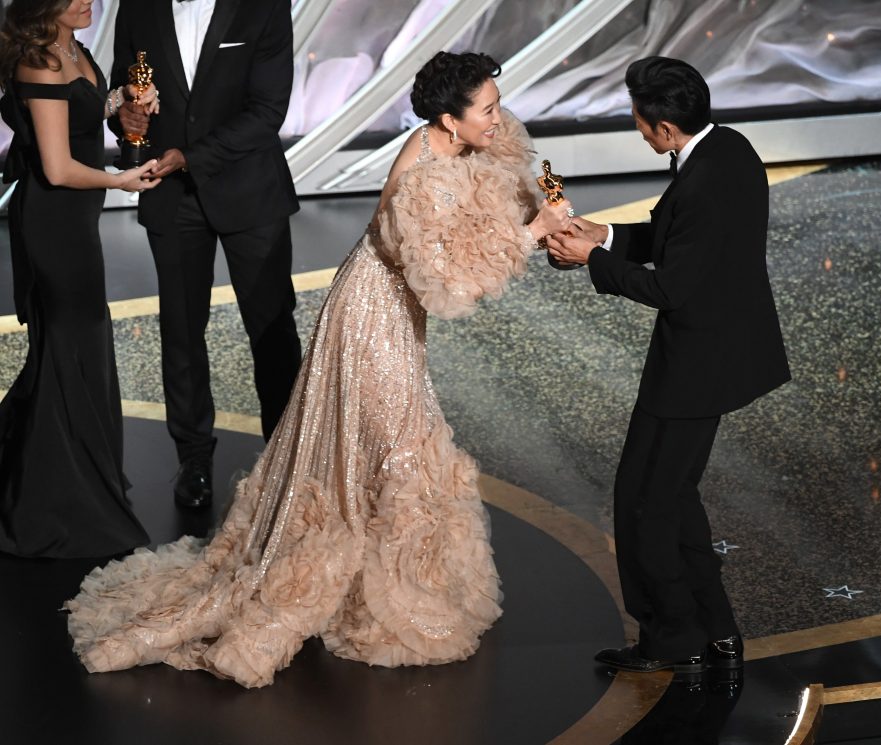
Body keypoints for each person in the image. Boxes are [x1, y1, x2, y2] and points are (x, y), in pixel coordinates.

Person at [65, 51, 573, 688]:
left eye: (498, 104)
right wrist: (531, 236)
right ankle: (373, 587)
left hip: (392, 309)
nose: (499, 118)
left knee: (380, 444)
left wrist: (543, 217)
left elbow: (496, 198)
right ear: (448, 119)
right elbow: (448, 283)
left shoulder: (464, 144)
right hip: (371, 313)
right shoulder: (419, 176)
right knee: (396, 445)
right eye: (488, 110)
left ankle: (386, 576)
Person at [547, 57, 790, 677]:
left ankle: (670, 638)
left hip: (695, 364)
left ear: (663, 130)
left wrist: (592, 263)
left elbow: (671, 288)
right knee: (671, 497)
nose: (636, 127)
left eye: (639, 119)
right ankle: (716, 631)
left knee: (643, 503)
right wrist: (602, 235)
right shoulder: (727, 149)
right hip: (715, 353)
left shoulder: (704, 179)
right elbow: (674, 233)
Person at [109, 0, 303, 509]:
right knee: (181, 333)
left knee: (272, 330)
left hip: (249, 192)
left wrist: (192, 157)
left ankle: (287, 459)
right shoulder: (138, 7)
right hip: (172, 199)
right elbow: (123, 89)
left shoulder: (263, 6)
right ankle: (193, 460)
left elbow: (267, 111)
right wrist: (124, 117)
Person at [0, 0, 161, 558]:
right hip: (53, 221)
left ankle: (79, 483)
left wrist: (122, 100)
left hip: (76, 221)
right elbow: (57, 168)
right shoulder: (40, 62)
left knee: (78, 345)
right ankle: (56, 501)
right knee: (74, 344)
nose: (87, 1)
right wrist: (123, 181)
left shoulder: (73, 47)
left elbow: (84, 107)